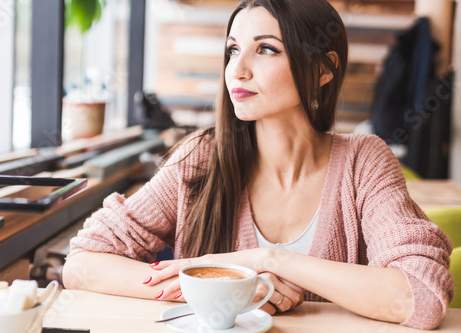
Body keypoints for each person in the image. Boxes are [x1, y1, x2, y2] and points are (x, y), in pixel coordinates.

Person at [62, 0, 454, 330]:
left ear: (323, 69)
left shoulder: (363, 161)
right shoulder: (200, 158)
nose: (238, 69)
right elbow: (81, 265)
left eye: (266, 49)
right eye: (233, 50)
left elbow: (419, 294)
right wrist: (234, 286)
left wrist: (268, 259)